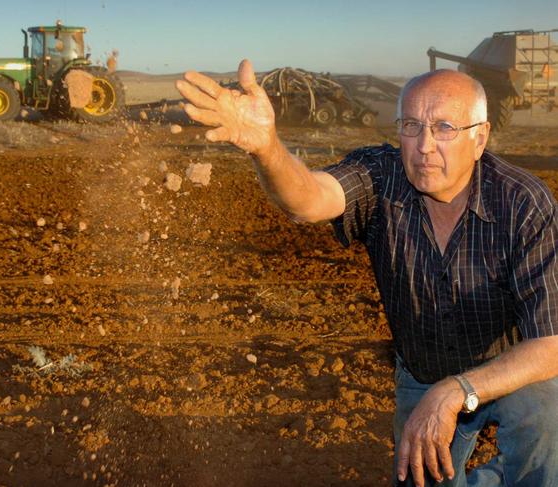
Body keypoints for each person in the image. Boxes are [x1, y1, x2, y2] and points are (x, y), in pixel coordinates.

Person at [176, 60, 558, 486]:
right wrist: (266, 147)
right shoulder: (380, 175)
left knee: (545, 429)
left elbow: (549, 344)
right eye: (411, 126)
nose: (425, 145)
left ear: (480, 137)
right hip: (423, 369)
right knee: (422, 478)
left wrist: (457, 390)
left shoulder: (523, 202)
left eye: (445, 127)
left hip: (507, 368)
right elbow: (309, 200)